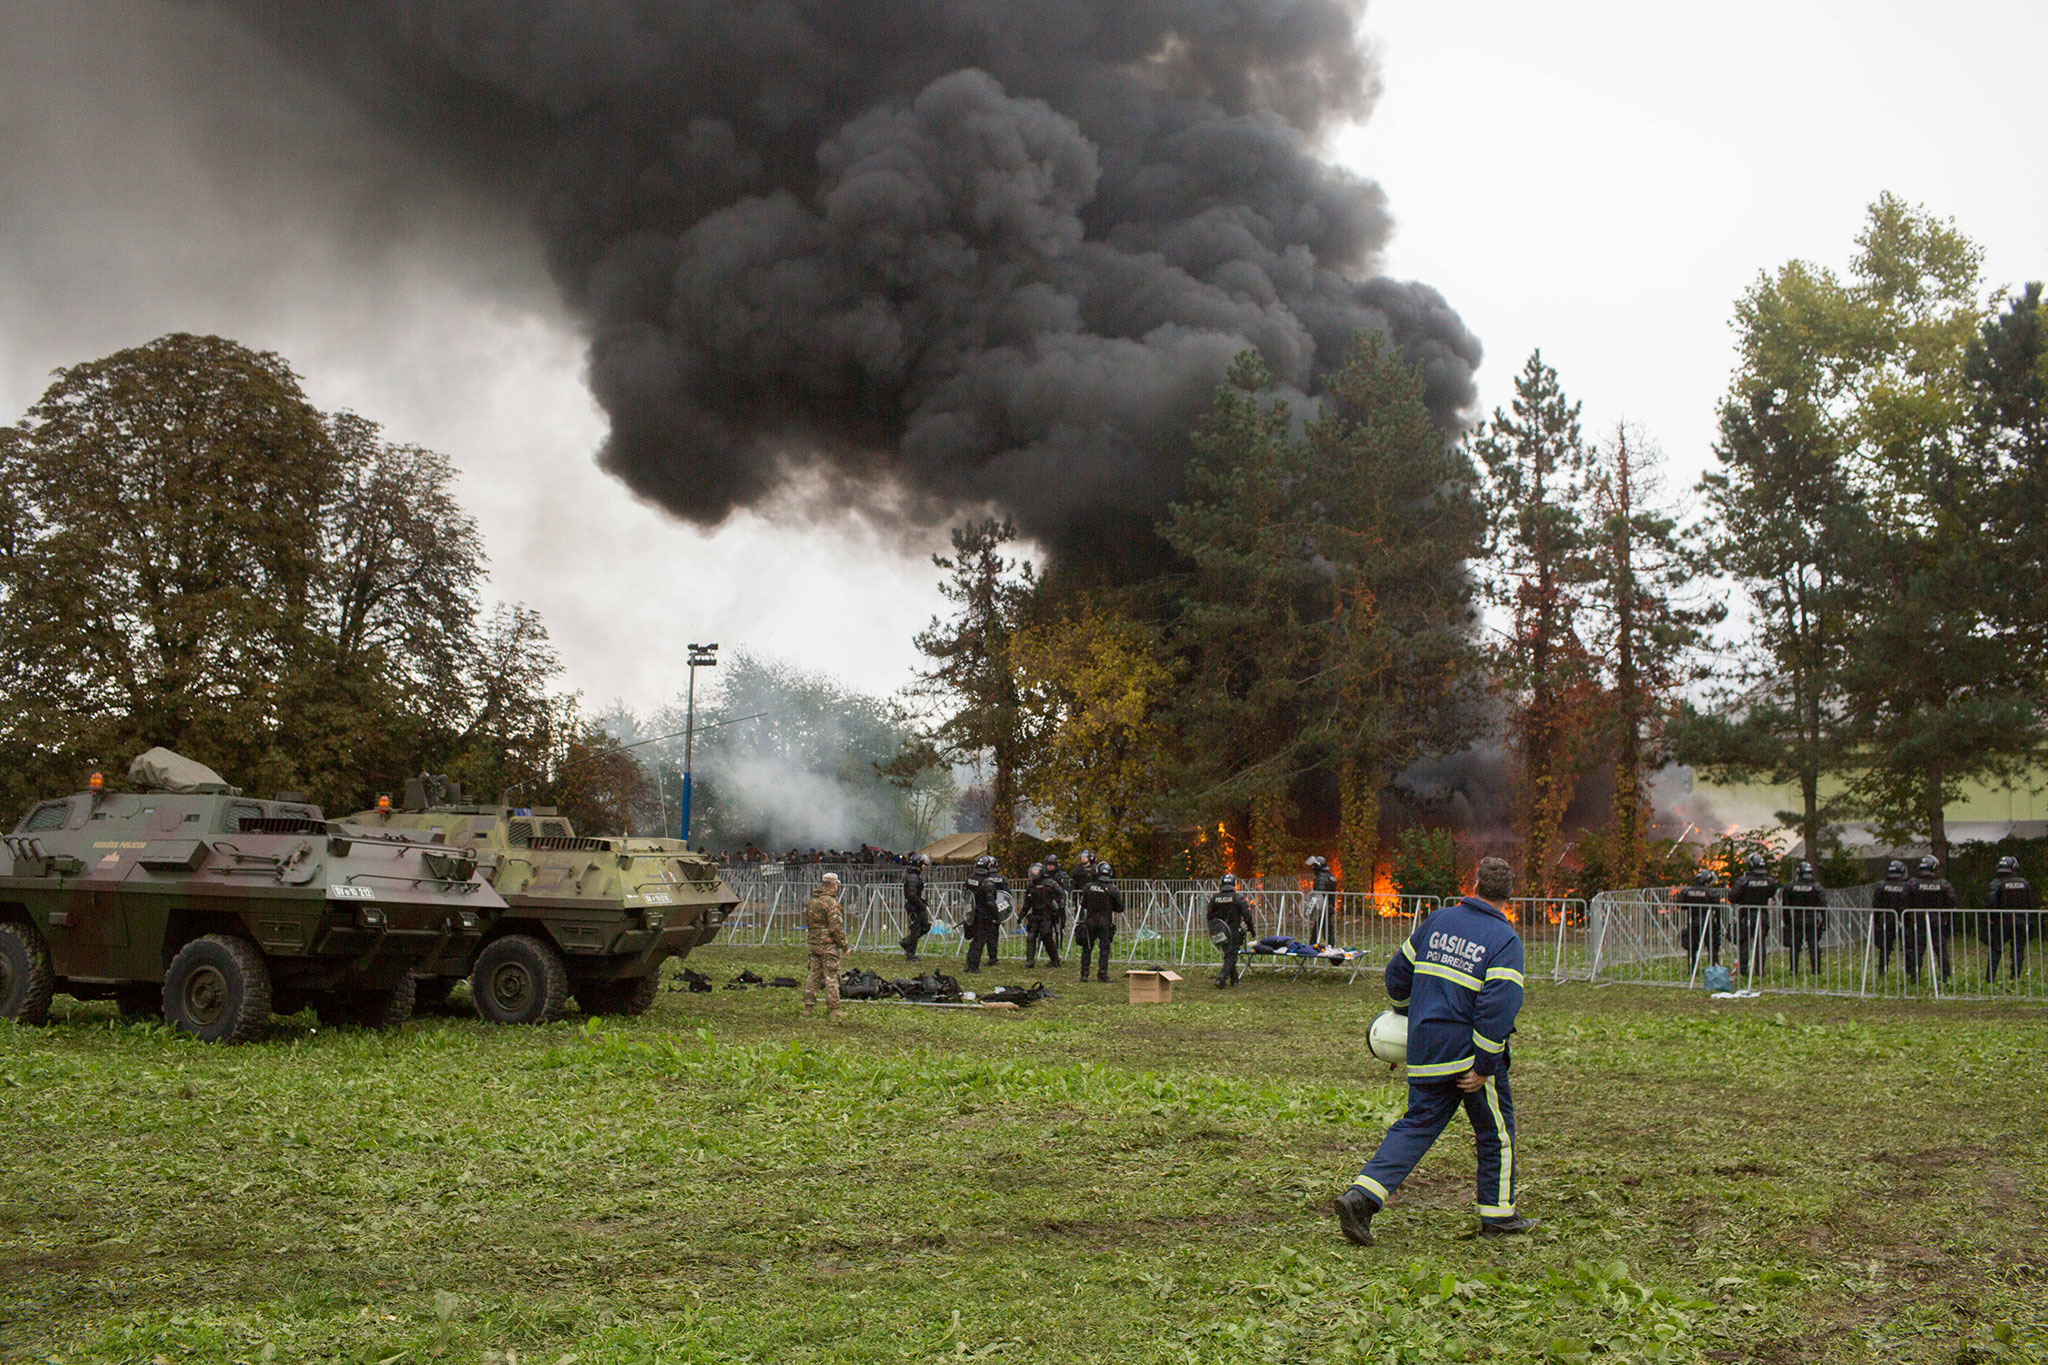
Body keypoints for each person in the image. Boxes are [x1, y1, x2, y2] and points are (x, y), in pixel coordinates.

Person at [1334, 856, 1531, 1245]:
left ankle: (1362, 1197)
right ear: (1509, 896)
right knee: (1496, 1133)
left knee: (1417, 1125)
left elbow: (1396, 975)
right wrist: (1486, 1066)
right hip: (1468, 1060)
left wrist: (1406, 1015)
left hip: (1426, 1050)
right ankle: (1498, 1217)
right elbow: (1498, 1008)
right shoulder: (1504, 940)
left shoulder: (1438, 921)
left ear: (1474, 884)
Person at [801, 873, 848, 1021]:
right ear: (834, 885)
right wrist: (844, 945)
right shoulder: (831, 903)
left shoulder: (812, 902)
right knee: (831, 975)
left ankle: (808, 1007)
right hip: (828, 945)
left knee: (814, 974)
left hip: (813, 943)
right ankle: (834, 1009)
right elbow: (835, 927)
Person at [1903, 855, 1955, 987]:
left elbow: (1904, 901)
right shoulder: (1943, 884)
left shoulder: (1912, 884)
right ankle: (1946, 979)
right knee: (1941, 951)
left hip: (1917, 922)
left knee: (1917, 951)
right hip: (1937, 922)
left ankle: (1915, 979)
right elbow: (1951, 902)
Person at [1729, 853, 1779, 983]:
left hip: (1746, 914)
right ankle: (1760, 971)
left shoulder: (1743, 881)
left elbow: (1732, 897)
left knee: (1744, 942)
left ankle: (1744, 970)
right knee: (1760, 943)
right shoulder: (1770, 881)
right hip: (1761, 914)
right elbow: (1772, 893)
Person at [1984, 855, 2034, 983]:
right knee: (2018, 950)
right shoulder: (2024, 883)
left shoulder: (1996, 883)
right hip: (2020, 922)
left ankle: (1990, 979)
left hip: (2001, 922)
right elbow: (2030, 903)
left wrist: (1993, 918)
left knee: (1996, 950)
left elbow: (1990, 902)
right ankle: (2015, 977)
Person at [1206, 872, 1257, 988]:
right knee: (1231, 956)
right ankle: (1221, 978)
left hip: (1220, 930)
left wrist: (1213, 930)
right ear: (1234, 883)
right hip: (1234, 930)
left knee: (1228, 954)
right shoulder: (1238, 897)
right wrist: (1251, 929)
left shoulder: (1215, 898)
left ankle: (1234, 979)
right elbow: (1247, 915)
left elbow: (1209, 916)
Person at [1076, 864, 1123, 982]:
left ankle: (1084, 973)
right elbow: (1120, 907)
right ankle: (1102, 973)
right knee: (1104, 948)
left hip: (1090, 920)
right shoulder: (1113, 889)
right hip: (1105, 922)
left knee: (1087, 947)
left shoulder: (1088, 887)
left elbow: (1084, 903)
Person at [962, 854, 1009, 973]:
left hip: (971, 914)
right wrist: (997, 915)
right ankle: (973, 967)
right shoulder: (987, 882)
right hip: (983, 915)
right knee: (979, 941)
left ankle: (969, 965)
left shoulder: (970, 879)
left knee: (974, 941)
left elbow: (966, 896)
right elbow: (990, 902)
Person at [1781, 860, 1826, 977]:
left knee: (1795, 947)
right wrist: (1825, 921)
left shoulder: (1790, 887)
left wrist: (1787, 922)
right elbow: (1823, 905)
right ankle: (1816, 971)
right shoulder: (1816, 887)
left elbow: (1785, 906)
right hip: (1812, 919)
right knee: (1813, 945)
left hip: (1797, 919)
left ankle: (1793, 970)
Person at [1674, 868, 1723, 975]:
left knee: (1692, 948)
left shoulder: (1687, 891)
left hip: (1693, 922)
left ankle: (1692, 970)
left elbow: (1681, 906)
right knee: (1712, 947)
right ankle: (1714, 968)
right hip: (1708, 923)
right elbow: (1717, 909)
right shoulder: (1711, 892)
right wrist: (1718, 925)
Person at [1024, 861, 1066, 969]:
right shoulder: (1030, 886)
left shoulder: (1050, 883)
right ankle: (1029, 961)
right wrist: (1021, 915)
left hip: (1047, 914)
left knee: (1046, 936)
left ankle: (1055, 960)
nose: (1034, 874)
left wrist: (1061, 907)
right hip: (1035, 915)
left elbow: (1061, 893)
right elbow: (1027, 903)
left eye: (1036, 871)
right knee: (1031, 937)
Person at [1871, 859, 1910, 976]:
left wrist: (1876, 923)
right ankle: (1910, 972)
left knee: (1885, 949)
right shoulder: (1907, 886)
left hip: (1886, 921)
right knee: (1908, 947)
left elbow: (1876, 906)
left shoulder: (1881, 886)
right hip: (1904, 921)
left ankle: (1882, 972)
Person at [899, 854, 931, 961]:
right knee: (915, 930)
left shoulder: (914, 875)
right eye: (923, 864)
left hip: (916, 905)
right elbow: (911, 894)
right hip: (914, 907)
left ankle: (907, 942)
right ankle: (911, 954)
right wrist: (920, 904)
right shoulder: (913, 876)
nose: (924, 867)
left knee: (925, 926)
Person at [1306, 855, 1339, 944]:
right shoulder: (1330, 876)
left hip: (1323, 907)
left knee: (1324, 928)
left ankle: (1329, 947)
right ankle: (1314, 946)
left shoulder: (1321, 878)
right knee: (1322, 927)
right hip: (1329, 906)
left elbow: (1319, 894)